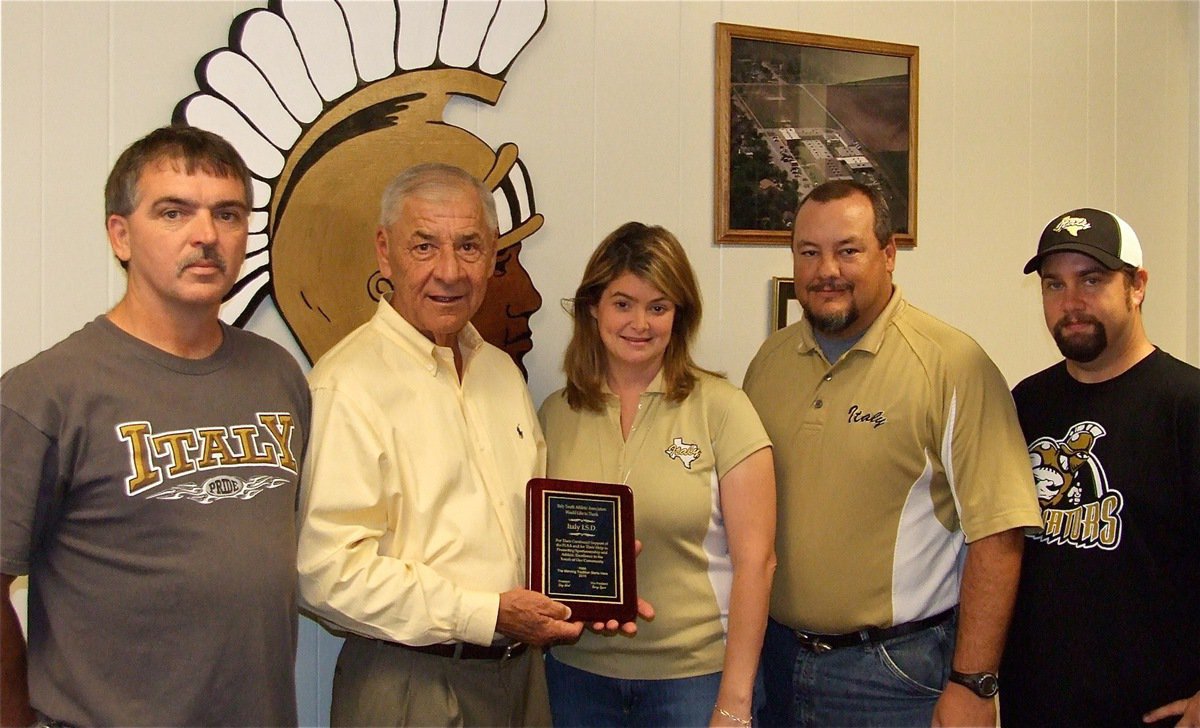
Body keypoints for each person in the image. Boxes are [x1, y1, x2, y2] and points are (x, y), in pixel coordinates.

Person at [296, 163, 645, 727]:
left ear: (490, 257)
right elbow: (325, 573)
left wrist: (588, 581)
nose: (450, 271)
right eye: (424, 246)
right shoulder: (346, 386)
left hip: (520, 679)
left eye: (468, 246)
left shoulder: (500, 373)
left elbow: (523, 530)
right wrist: (487, 614)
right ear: (385, 252)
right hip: (410, 684)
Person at [0, 125, 311, 727]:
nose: (206, 235)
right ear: (120, 235)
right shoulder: (46, 395)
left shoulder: (277, 375)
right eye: (174, 213)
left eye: (227, 214)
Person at [743, 180, 1042, 727]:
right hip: (776, 660)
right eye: (808, 253)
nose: (826, 270)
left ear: (888, 254)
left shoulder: (953, 365)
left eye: (848, 250)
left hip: (894, 677)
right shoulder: (769, 362)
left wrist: (974, 684)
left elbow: (998, 535)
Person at [539, 222, 776, 727]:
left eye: (658, 307)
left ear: (679, 314)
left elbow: (757, 563)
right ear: (593, 308)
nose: (640, 323)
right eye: (623, 303)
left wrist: (734, 704)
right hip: (576, 677)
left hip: (694, 682)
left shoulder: (723, 409)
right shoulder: (554, 414)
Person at [1000, 208, 1200, 727]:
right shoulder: (1027, 402)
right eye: (1054, 284)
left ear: (1138, 287)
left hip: (1154, 711)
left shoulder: (1186, 404)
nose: (1071, 302)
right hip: (1037, 709)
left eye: (1092, 280)